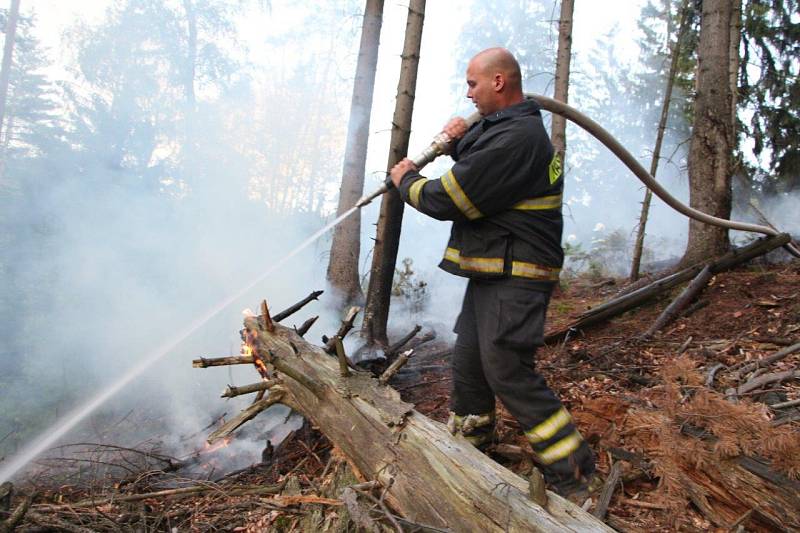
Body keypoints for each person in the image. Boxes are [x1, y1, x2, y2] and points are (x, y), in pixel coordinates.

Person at [389, 47, 595, 501]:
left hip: (518, 274)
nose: (468, 93)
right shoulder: (507, 131)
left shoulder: (520, 136)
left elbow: (451, 198)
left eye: (472, 84)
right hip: (495, 269)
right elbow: (483, 163)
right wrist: (455, 140)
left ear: (499, 82)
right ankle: (471, 447)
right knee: (469, 362)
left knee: (506, 368)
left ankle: (575, 472)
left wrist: (406, 180)